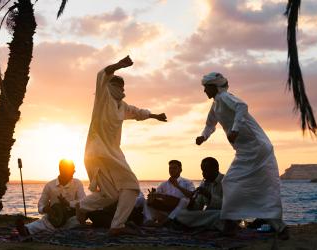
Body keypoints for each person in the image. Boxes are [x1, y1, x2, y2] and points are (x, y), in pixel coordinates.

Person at [77, 55, 167, 236]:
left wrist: (156, 116)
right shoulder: (103, 98)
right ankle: (117, 226)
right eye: (116, 84)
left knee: (112, 195)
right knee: (132, 185)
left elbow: (138, 112)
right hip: (97, 152)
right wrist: (119, 65)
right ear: (110, 85)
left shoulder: (122, 106)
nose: (120, 88)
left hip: (111, 154)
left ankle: (81, 206)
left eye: (121, 86)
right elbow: (103, 73)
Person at [196, 72, 288, 239]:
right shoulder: (216, 104)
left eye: (206, 87)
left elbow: (242, 107)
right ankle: (276, 226)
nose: (204, 91)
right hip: (246, 151)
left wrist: (235, 129)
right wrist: (203, 136)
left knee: (230, 181)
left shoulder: (224, 97)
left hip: (257, 147)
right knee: (259, 186)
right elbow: (210, 124)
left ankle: (229, 224)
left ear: (214, 87)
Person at [17, 159, 86, 235]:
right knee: (42, 222)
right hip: (54, 219)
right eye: (72, 169)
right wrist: (45, 209)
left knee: (76, 222)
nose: (74, 171)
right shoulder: (49, 186)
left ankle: (57, 230)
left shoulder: (77, 183)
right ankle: (26, 230)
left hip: (71, 217)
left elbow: (84, 202)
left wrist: (68, 203)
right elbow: (40, 205)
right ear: (61, 170)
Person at [175, 157, 224, 230]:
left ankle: (200, 225)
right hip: (209, 215)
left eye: (205, 170)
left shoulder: (226, 181)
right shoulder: (204, 183)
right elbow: (198, 207)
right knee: (181, 213)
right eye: (202, 170)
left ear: (215, 169)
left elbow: (229, 205)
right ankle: (206, 225)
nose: (203, 173)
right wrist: (191, 203)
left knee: (220, 216)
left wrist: (209, 196)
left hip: (221, 213)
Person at [143, 160, 195, 226]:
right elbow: (156, 196)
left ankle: (168, 221)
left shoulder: (188, 182)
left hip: (179, 212)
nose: (172, 170)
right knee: (146, 201)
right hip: (165, 212)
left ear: (180, 170)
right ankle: (149, 221)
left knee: (185, 200)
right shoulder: (164, 184)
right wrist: (153, 195)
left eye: (174, 168)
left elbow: (192, 195)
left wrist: (178, 186)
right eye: (170, 168)